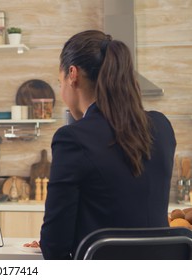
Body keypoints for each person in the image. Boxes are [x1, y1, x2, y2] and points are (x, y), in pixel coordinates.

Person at [39, 30, 176, 260]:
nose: (61, 90)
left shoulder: (71, 139)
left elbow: (55, 246)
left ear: (73, 74)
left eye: (59, 81)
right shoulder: (162, 127)